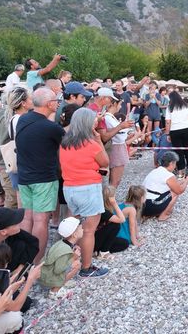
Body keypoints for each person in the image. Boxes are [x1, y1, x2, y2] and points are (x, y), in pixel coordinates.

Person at [59, 108, 109, 278]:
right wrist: (99, 140)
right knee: (88, 230)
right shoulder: (91, 144)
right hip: (88, 188)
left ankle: (75, 260)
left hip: (70, 188)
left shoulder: (65, 143)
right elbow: (105, 162)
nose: (96, 121)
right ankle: (86, 268)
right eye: (94, 119)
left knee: (76, 227)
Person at [16, 88, 64, 263]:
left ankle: (23, 260)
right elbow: (65, 139)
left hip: (24, 177)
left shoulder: (23, 120)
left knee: (27, 217)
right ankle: (36, 263)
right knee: (41, 220)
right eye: (56, 100)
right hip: (44, 178)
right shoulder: (51, 128)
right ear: (49, 104)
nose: (58, 103)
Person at [0, 243, 37, 334]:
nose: (8, 263)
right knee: (17, 318)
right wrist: (30, 280)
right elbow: (15, 307)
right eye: (6, 260)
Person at [143, 151, 188, 221]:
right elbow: (179, 190)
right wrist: (187, 180)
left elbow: (174, 183)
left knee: (168, 191)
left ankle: (151, 214)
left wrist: (183, 180)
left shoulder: (155, 171)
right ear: (171, 163)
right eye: (175, 164)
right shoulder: (168, 175)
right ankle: (163, 215)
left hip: (142, 205)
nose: (175, 166)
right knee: (174, 192)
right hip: (151, 205)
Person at [39, 217, 82, 299]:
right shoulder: (65, 249)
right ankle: (54, 291)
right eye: (81, 229)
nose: (83, 230)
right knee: (77, 265)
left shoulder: (61, 242)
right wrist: (73, 257)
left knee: (74, 262)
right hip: (47, 281)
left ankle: (57, 285)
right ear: (75, 235)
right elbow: (58, 269)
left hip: (44, 274)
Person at [165, 91, 188, 176]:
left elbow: (168, 122)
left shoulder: (169, 108)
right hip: (187, 129)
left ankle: (180, 171)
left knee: (178, 151)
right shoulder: (186, 106)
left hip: (175, 131)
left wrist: (167, 134)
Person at [93, 185, 130, 259]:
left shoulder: (103, 207)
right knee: (116, 225)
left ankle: (98, 251)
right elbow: (122, 220)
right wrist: (114, 203)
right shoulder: (103, 210)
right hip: (93, 240)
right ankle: (103, 252)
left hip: (99, 237)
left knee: (124, 243)